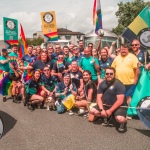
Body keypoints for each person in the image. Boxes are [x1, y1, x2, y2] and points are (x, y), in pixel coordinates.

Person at [89, 67, 127, 132]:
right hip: (106, 105)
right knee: (92, 111)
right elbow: (99, 97)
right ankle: (107, 116)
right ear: (105, 74)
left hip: (118, 107)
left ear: (114, 74)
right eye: (107, 73)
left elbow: (120, 101)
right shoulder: (102, 84)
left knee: (121, 119)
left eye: (111, 74)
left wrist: (110, 111)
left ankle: (123, 121)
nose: (109, 75)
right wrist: (101, 109)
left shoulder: (119, 84)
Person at [111, 44, 139, 108]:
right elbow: (112, 69)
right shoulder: (117, 58)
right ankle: (119, 112)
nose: (123, 50)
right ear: (120, 50)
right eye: (122, 49)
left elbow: (137, 70)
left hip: (130, 82)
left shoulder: (133, 57)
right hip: (118, 83)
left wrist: (135, 81)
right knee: (118, 98)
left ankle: (129, 113)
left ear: (128, 49)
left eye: (125, 49)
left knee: (128, 98)